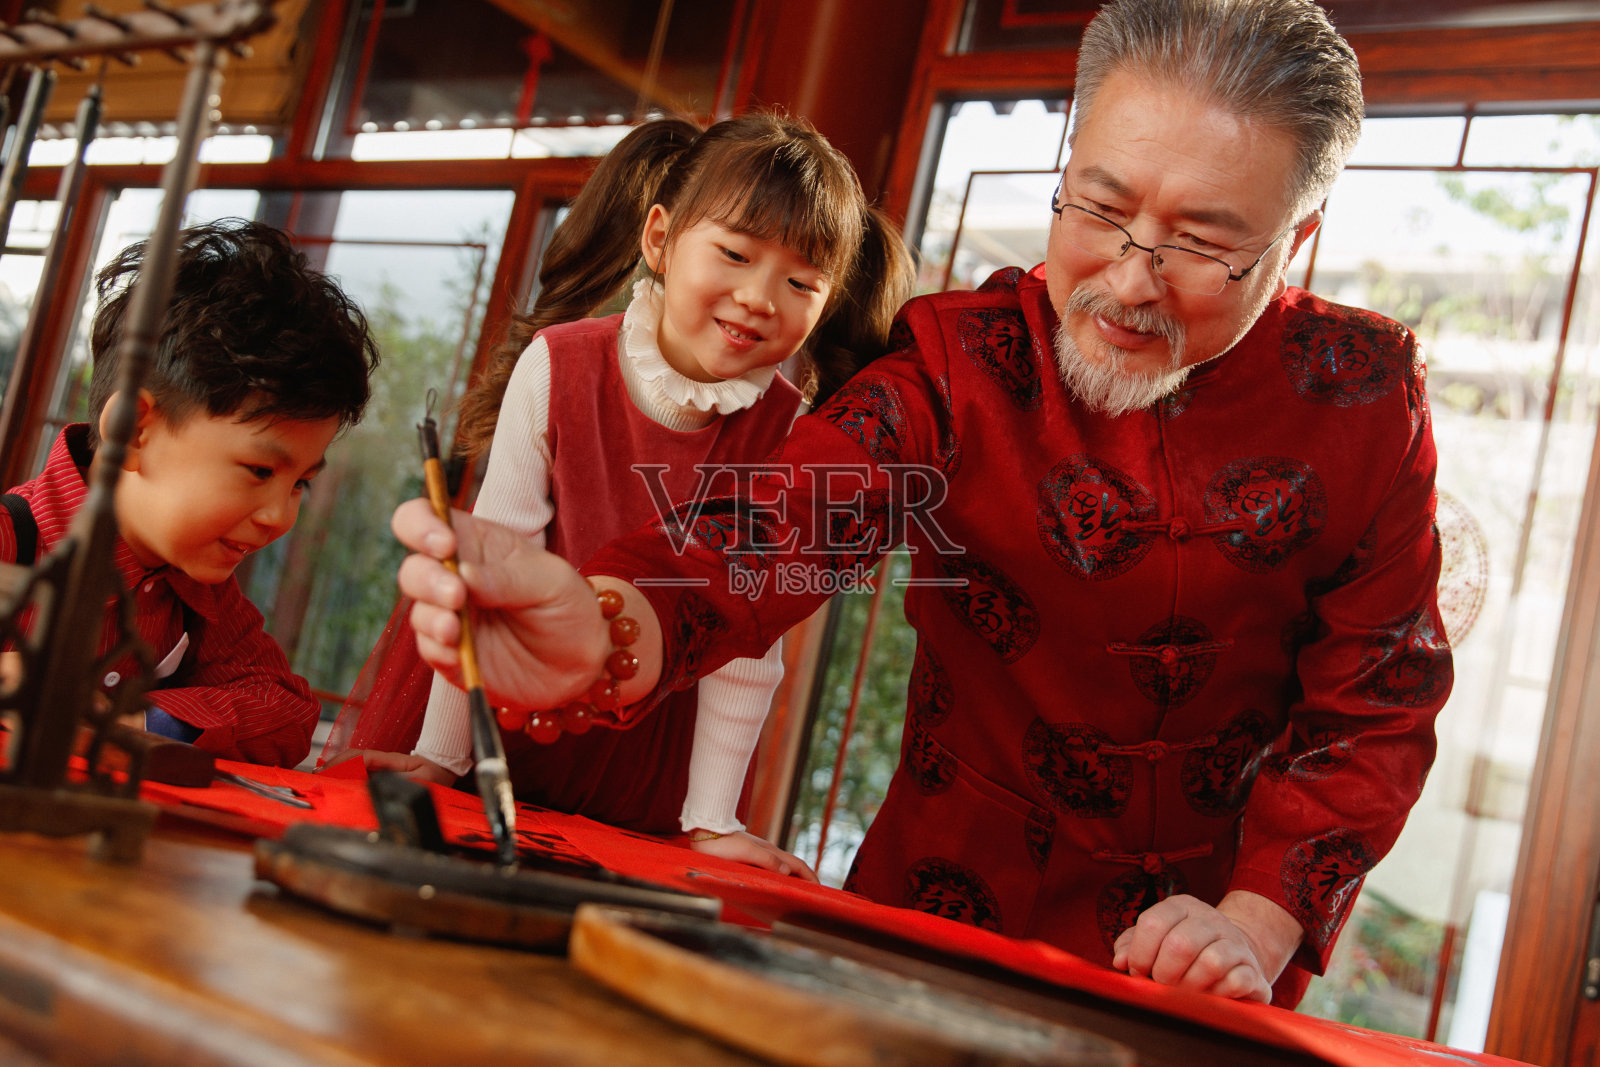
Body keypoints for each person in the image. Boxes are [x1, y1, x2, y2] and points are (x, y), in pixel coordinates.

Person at [391, 0, 1451, 1008]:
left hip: (1202, 961)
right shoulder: (965, 360)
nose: (1131, 281)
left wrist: (1255, 924)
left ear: (1295, 239)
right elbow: (789, 518)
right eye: (1100, 209)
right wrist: (613, 618)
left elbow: (1376, 703)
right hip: (935, 912)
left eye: (1203, 243)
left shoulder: (1363, 397)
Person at [332, 112, 913, 877]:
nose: (758, 297)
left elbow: (748, 643)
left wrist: (711, 821)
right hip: (494, 714)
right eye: (735, 254)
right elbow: (483, 577)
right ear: (660, 239)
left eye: (800, 282)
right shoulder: (558, 365)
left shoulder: (787, 427)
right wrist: (441, 755)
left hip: (650, 756)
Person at [0, 219, 380, 767]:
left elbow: (285, 708)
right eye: (258, 470)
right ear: (135, 430)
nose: (279, 517)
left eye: (301, 483)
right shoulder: (11, 539)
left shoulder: (200, 594)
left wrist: (124, 723)